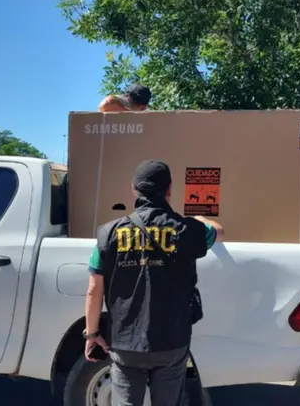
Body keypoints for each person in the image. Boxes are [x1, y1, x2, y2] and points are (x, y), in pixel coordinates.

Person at [83, 160, 224, 406]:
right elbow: (218, 231)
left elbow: (94, 289)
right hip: (171, 342)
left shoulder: (108, 233)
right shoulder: (188, 230)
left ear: (133, 189)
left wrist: (92, 334)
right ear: (169, 190)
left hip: (125, 343)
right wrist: (200, 218)